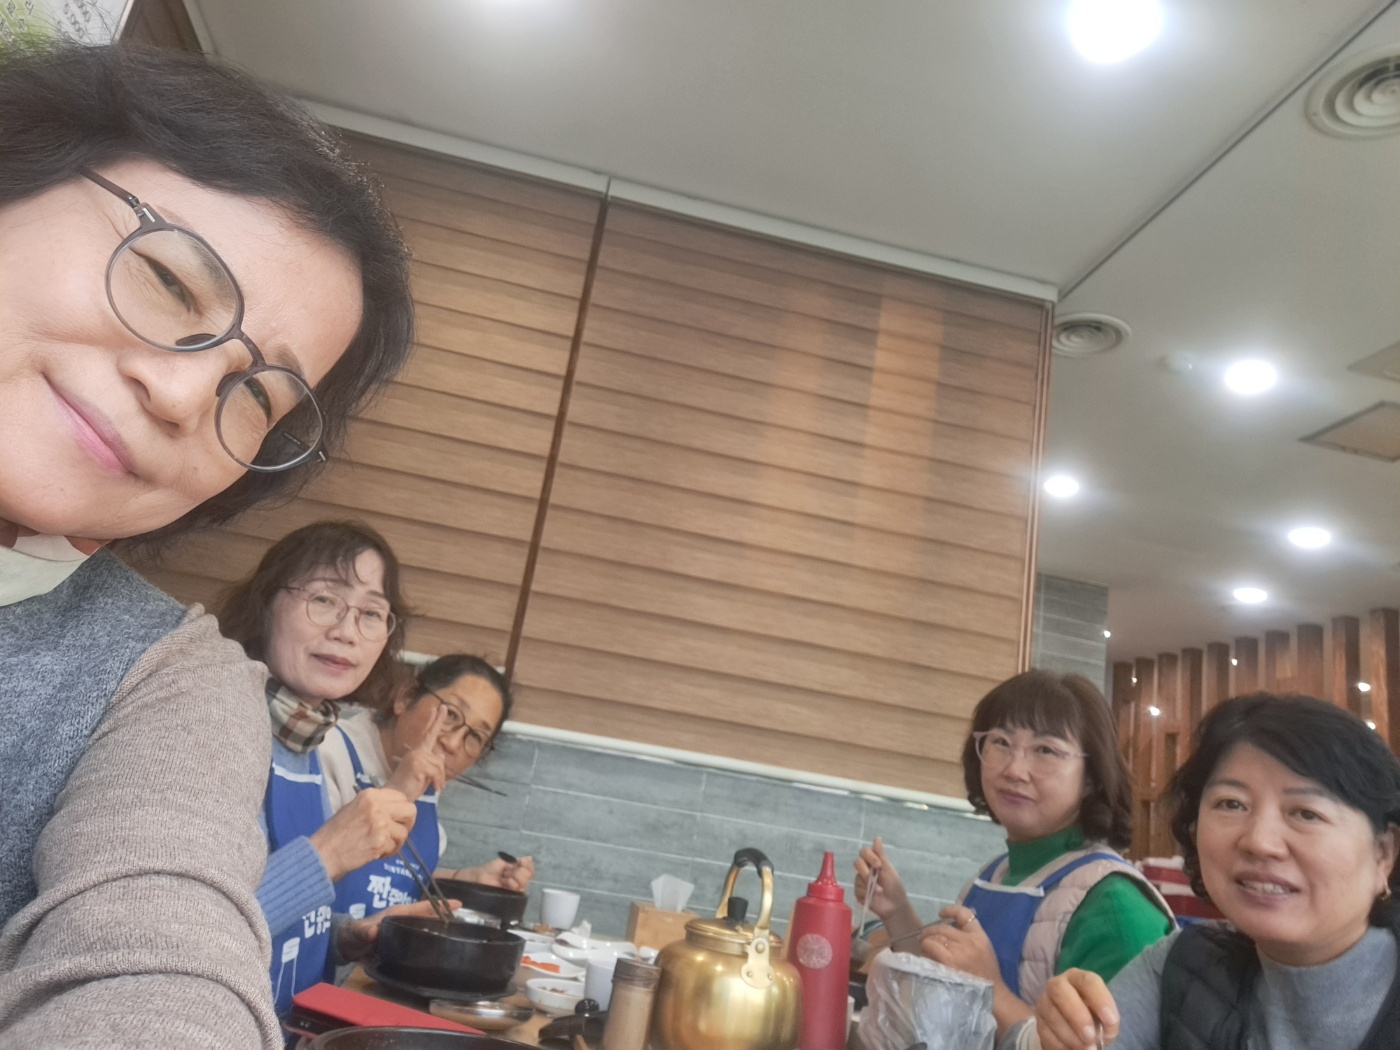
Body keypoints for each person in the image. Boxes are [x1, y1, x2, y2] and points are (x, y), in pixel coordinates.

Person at [0, 42, 412, 1050]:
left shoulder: (169, 687)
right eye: (167, 280)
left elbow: (164, 951)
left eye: (256, 397)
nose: (185, 393)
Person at [1020, 693, 1400, 1050]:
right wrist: (1057, 1035)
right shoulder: (1182, 966)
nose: (1259, 842)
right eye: (1232, 804)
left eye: (1306, 813)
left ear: (1384, 853)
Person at [855, 671, 1173, 1038]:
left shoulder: (1118, 906)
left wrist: (992, 990)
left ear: (1091, 777)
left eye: (1046, 750)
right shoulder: (996, 873)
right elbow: (945, 994)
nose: (1014, 770)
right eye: (1001, 742)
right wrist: (897, 911)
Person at [217, 520, 448, 1017]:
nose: (346, 632)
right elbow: (181, 932)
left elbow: (272, 912)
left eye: (371, 613)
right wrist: (328, 854)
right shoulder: (211, 727)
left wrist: (344, 936)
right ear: (265, 603)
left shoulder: (307, 739)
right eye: (324, 600)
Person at [318, 654, 536, 922]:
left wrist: (465, 879)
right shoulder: (325, 752)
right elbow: (303, 872)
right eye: (451, 714)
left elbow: (392, 881)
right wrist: (397, 793)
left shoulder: (428, 790)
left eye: (475, 736)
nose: (453, 744)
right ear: (406, 697)